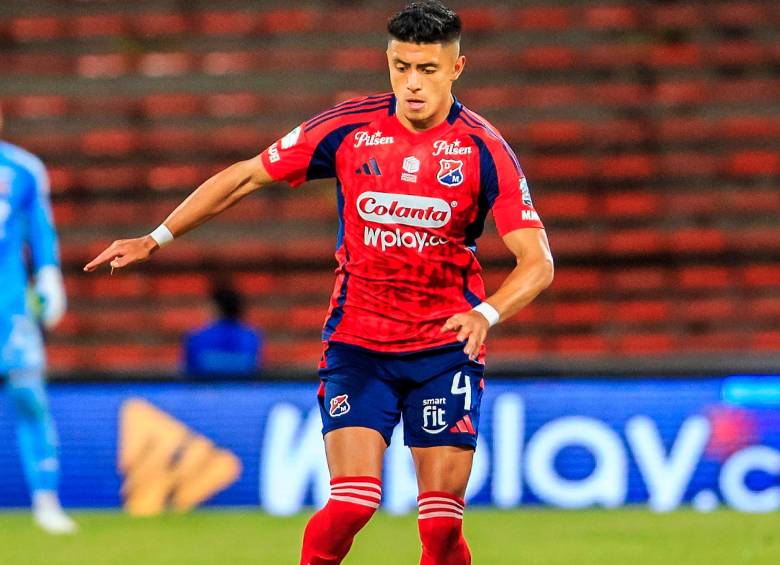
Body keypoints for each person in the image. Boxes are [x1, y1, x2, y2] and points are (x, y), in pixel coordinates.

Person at [85, 1, 553, 562]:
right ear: (387, 62)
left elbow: (538, 261)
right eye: (400, 67)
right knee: (354, 503)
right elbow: (247, 176)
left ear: (456, 69)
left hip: (445, 352)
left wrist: (486, 314)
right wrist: (155, 237)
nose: (411, 84)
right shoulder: (350, 128)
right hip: (358, 345)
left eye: (426, 70)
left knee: (439, 530)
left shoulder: (484, 149)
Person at [0, 103, 77, 534]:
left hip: (8, 302)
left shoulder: (23, 168)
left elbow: (40, 229)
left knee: (29, 395)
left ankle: (46, 500)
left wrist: (49, 278)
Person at [183, 283, 263, 379]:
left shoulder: (196, 338)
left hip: (207, 392)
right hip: (241, 391)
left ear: (215, 308)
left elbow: (188, 376)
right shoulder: (252, 337)